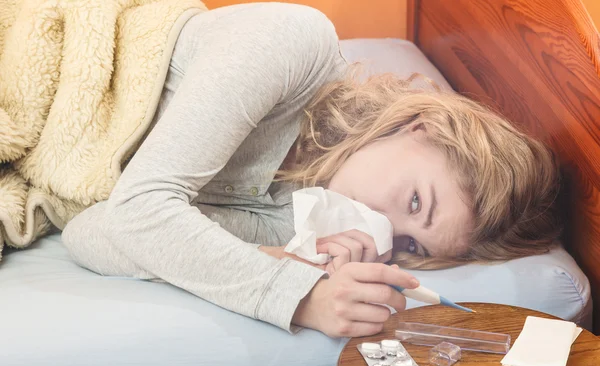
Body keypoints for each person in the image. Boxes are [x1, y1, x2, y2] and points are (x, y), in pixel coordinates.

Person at [62, 3, 561, 338]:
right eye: (414, 203)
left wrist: (276, 257)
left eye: (410, 246)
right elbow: (138, 212)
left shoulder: (300, 218)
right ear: (419, 125)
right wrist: (300, 298)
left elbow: (90, 231)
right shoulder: (290, 45)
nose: (385, 228)